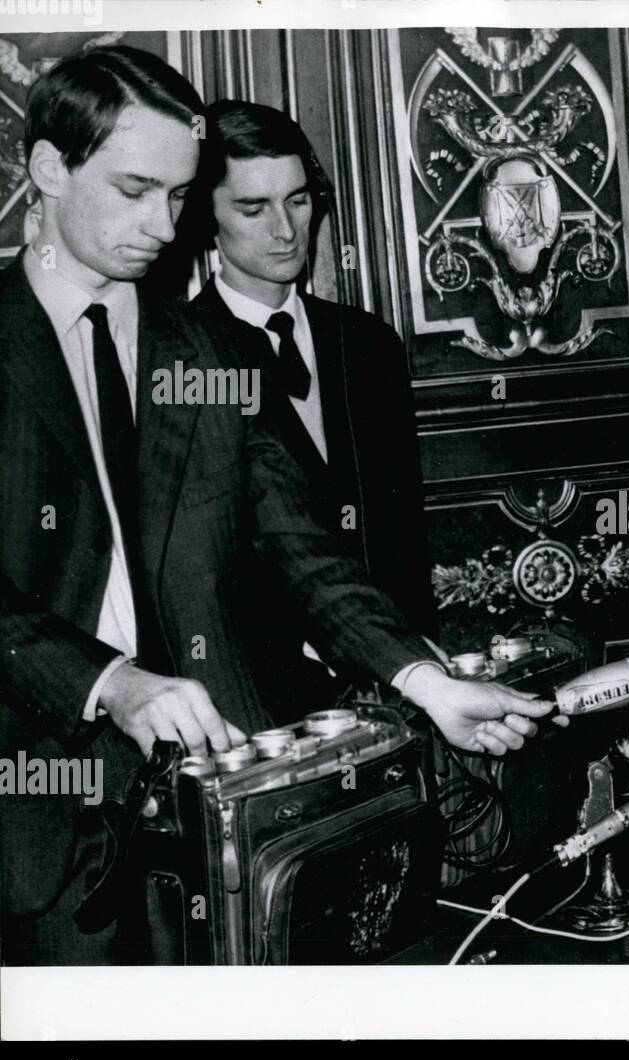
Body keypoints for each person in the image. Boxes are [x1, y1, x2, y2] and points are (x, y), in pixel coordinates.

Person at [0, 46, 551, 965]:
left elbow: (304, 552)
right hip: (41, 808)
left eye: (178, 198)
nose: (159, 225)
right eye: (134, 188)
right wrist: (112, 683)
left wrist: (426, 682)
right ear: (50, 168)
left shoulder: (209, 355)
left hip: (238, 807)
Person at [187, 98, 431, 723]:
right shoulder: (182, 357)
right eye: (253, 207)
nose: (286, 230)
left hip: (395, 683)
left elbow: (403, 531)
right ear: (202, 216)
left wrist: (415, 662)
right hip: (259, 704)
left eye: (298, 201)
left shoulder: (369, 345)